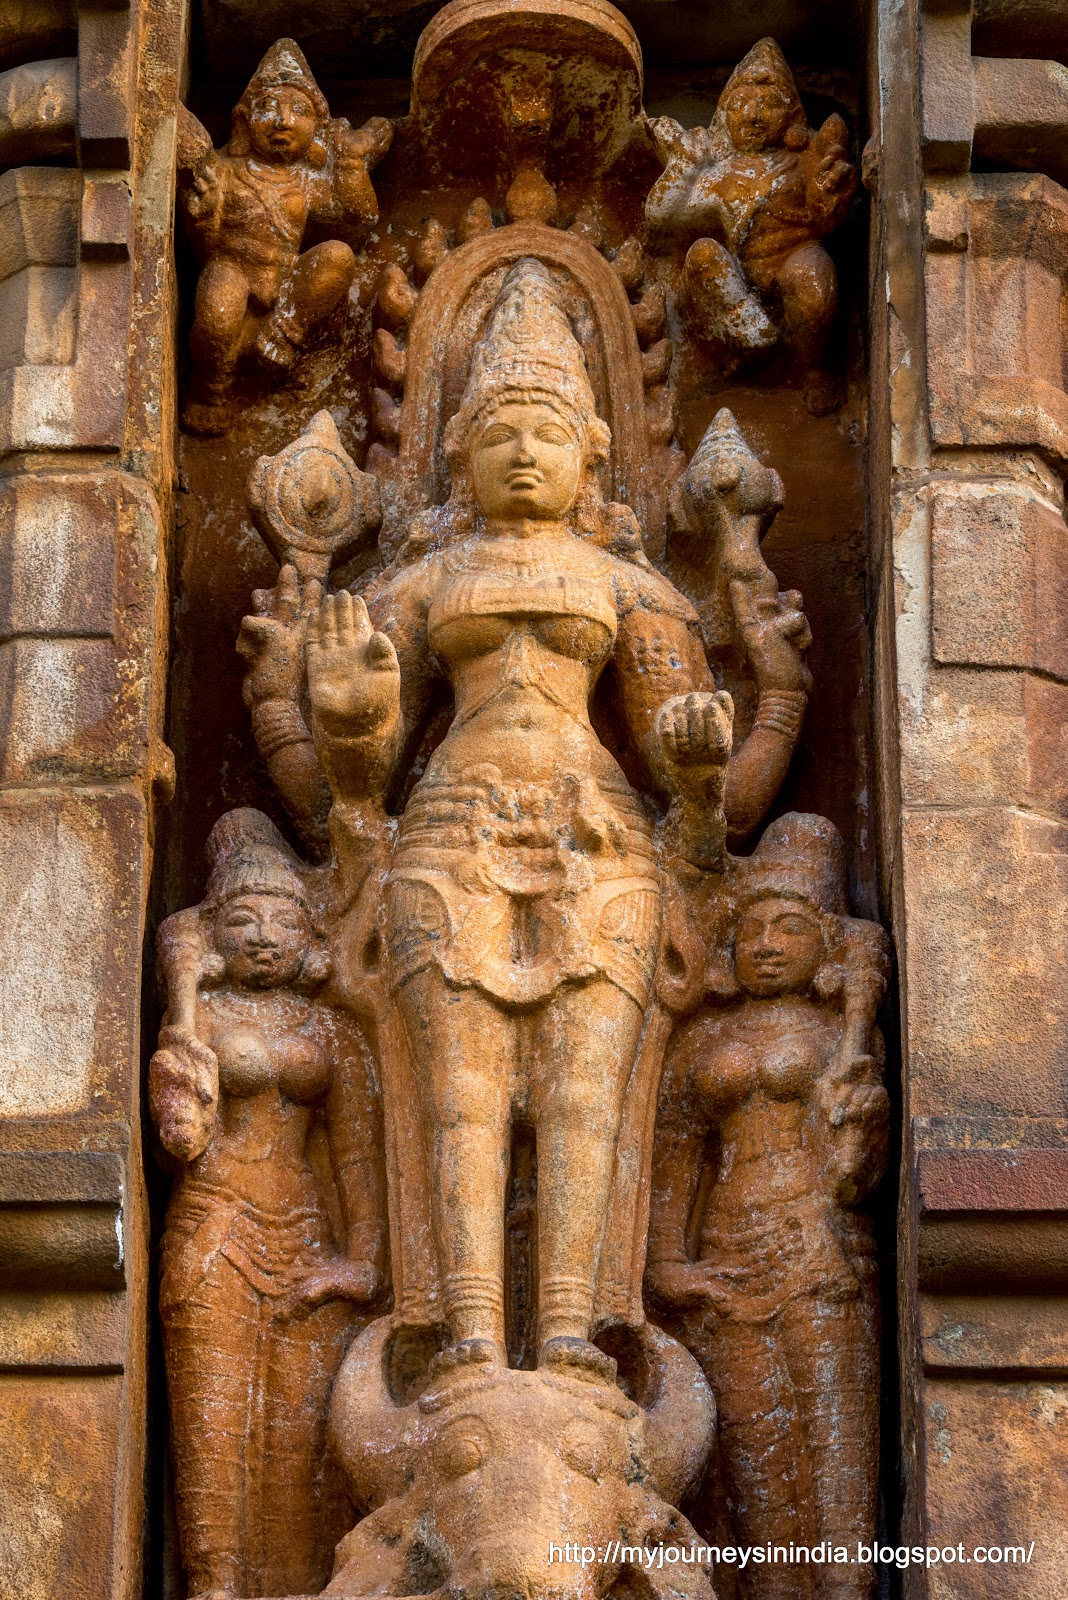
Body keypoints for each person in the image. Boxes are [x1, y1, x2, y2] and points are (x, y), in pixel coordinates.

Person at [290, 259, 811, 1378]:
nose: (523, 451)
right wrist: (348, 727)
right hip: (451, 835)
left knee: (584, 1095)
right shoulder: (421, 585)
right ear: (459, 456)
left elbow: (692, 755)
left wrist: (702, 768)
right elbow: (359, 779)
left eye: (546, 431)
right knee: (463, 1100)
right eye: (498, 433)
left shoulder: (636, 591)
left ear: (591, 454)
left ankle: (573, 1333)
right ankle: (471, 1334)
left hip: (600, 842)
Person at [647, 813, 889, 1598]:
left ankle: (849, 1587)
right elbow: (674, 1154)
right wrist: (668, 1262)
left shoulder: (840, 1036)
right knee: (758, 1466)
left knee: (834, 1447)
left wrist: (858, 1088)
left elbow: (855, 1165)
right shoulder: (701, 1043)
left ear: (826, 945)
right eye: (751, 930)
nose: (767, 945)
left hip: (816, 1246)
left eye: (789, 928)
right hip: (726, 1255)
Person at [149, 809, 387, 1599]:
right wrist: (182, 1009)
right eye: (241, 921)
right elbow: (181, 1139)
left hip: (308, 1242)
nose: (260, 937)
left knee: (301, 1440)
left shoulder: (331, 1031)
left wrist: (363, 1260)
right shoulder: (203, 1021)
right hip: (216, 1224)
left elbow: (357, 1155)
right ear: (214, 933)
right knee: (212, 1423)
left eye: (281, 920)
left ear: (308, 933)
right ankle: (214, 1585)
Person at [176, 38, 392, 433]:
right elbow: (203, 244)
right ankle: (211, 389)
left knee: (338, 256)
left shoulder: (308, 179)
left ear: (318, 129)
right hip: (232, 269)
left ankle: (283, 334)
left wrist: (349, 164)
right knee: (219, 306)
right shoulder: (225, 168)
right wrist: (202, 212)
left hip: (286, 285)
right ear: (242, 120)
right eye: (268, 108)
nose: (283, 120)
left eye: (299, 111)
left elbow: (358, 219)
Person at [646, 37, 856, 370]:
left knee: (812, 277)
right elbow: (661, 219)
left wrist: (831, 191)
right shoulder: (721, 172)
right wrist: (685, 164)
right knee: (703, 253)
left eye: (769, 103)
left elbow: (826, 218)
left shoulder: (802, 162)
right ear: (724, 113)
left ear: (791, 116)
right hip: (737, 287)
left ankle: (813, 368)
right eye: (741, 102)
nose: (754, 113)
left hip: (793, 263)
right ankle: (750, 333)